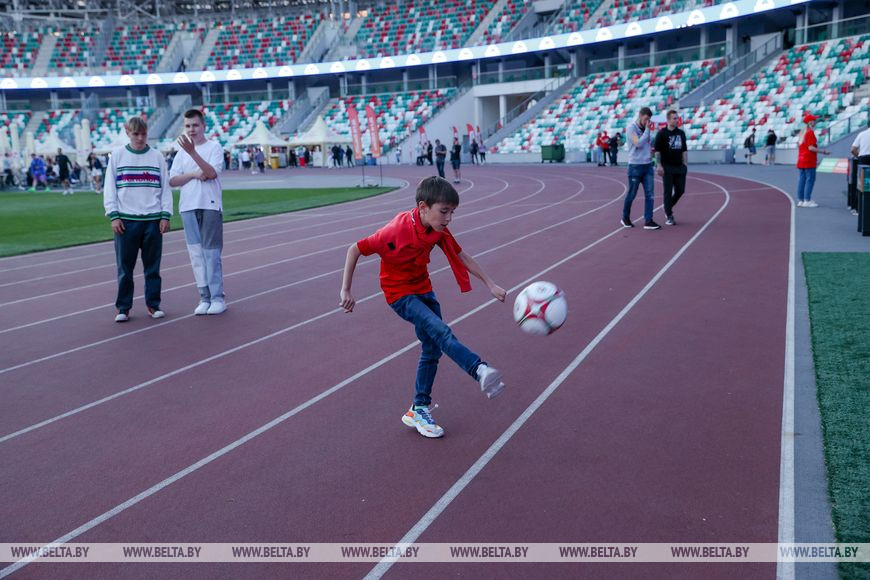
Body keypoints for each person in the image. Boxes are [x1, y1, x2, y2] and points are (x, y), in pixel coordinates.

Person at [339, 176, 507, 438]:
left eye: (452, 212)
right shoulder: (393, 232)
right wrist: (346, 289)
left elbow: (461, 255)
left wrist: (491, 284)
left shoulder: (437, 229)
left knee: (432, 348)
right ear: (422, 207)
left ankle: (418, 408)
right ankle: (479, 369)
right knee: (441, 331)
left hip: (423, 289)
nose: (449, 218)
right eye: (444, 211)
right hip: (399, 295)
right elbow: (355, 249)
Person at [103, 116, 172, 323]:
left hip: (152, 220)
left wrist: (165, 215)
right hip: (126, 221)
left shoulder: (157, 157)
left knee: (153, 268)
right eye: (136, 134)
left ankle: (153, 304)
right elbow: (109, 188)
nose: (140, 138)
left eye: (143, 134)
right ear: (128, 132)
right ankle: (123, 307)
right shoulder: (117, 156)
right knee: (125, 268)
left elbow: (165, 188)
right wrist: (113, 215)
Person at [169, 108, 227, 315]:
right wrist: (194, 174)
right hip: (187, 206)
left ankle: (217, 298)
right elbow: (172, 180)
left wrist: (193, 153)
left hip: (209, 205)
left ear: (203, 126)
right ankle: (204, 297)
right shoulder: (180, 153)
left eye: (195, 125)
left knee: (211, 254)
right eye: (188, 126)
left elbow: (211, 173)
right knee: (196, 255)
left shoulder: (214, 147)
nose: (191, 129)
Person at [621, 107, 660, 230]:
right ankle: (625, 217)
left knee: (650, 195)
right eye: (645, 119)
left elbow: (646, 145)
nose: (647, 122)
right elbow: (638, 143)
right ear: (640, 115)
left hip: (647, 165)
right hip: (635, 166)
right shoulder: (631, 128)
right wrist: (647, 130)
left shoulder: (646, 129)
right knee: (632, 194)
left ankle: (648, 220)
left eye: (649, 119)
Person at [654, 110, 689, 226]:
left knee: (680, 190)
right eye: (674, 118)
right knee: (667, 192)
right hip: (667, 167)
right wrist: (659, 165)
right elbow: (657, 151)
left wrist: (685, 165)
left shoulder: (681, 133)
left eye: (677, 118)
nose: (677, 120)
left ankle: (666, 206)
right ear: (668, 120)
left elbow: (684, 150)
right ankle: (669, 215)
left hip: (679, 167)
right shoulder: (661, 134)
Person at [796, 113, 829, 208]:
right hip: (809, 159)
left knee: (802, 180)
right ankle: (807, 200)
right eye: (814, 120)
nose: (816, 121)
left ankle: (801, 200)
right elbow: (811, 147)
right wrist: (823, 152)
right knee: (810, 179)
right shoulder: (810, 132)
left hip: (801, 159)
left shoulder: (802, 132)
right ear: (811, 122)